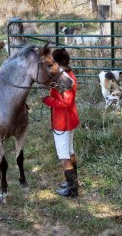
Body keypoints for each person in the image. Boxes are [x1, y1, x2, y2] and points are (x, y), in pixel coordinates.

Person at [41, 48, 80, 197]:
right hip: (69, 120)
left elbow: (65, 102)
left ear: (57, 62)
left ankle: (72, 189)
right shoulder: (66, 75)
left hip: (62, 122)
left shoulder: (66, 79)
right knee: (70, 152)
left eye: (52, 63)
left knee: (64, 157)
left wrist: (47, 100)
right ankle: (73, 182)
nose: (51, 66)